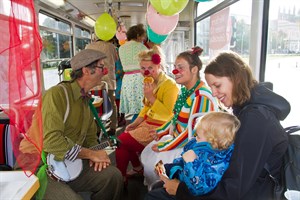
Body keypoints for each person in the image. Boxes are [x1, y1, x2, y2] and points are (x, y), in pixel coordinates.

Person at [145, 51, 290, 200]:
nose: (213, 93)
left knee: (156, 196)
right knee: (159, 188)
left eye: (217, 85)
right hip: (241, 186)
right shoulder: (246, 111)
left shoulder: (256, 119)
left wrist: (180, 190)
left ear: (236, 78)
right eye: (211, 87)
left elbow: (234, 188)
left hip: (254, 193)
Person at [34, 49, 123, 200]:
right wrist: (90, 154)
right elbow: (51, 141)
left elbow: (90, 139)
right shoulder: (57, 95)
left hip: (74, 163)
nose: (105, 72)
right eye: (102, 67)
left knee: (113, 177)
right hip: (46, 168)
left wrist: (96, 157)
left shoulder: (86, 102)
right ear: (87, 70)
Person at [141, 47, 218, 190]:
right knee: (149, 157)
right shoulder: (187, 91)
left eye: (180, 68)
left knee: (157, 166)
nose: (175, 71)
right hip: (178, 140)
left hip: (189, 149)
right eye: (175, 67)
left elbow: (194, 133)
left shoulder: (201, 96)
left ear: (194, 70)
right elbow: (176, 117)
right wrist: (162, 131)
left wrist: (165, 146)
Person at [115, 45, 179, 185]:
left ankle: (120, 178)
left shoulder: (170, 85)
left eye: (150, 68)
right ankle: (137, 169)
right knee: (125, 137)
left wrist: (151, 97)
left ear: (159, 66)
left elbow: (169, 114)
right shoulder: (149, 82)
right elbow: (145, 108)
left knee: (121, 142)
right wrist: (136, 123)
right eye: (143, 68)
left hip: (162, 127)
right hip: (148, 122)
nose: (146, 72)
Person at [153, 111, 240, 199]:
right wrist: (171, 167)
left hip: (190, 189)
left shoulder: (217, 162)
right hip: (184, 176)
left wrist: (191, 163)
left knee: (153, 195)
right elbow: (184, 160)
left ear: (212, 140)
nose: (195, 139)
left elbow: (200, 188)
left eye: (198, 136)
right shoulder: (204, 148)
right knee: (157, 184)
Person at [85, 37, 119, 136]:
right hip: (109, 80)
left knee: (95, 105)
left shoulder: (89, 46)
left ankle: (97, 128)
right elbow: (116, 59)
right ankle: (113, 127)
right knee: (111, 103)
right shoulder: (112, 47)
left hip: (93, 81)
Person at [118, 24, 148, 122]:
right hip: (139, 78)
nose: (144, 38)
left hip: (127, 79)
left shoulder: (121, 48)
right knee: (142, 108)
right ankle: (135, 130)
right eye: (143, 36)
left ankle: (133, 128)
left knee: (135, 109)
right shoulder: (142, 47)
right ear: (138, 35)